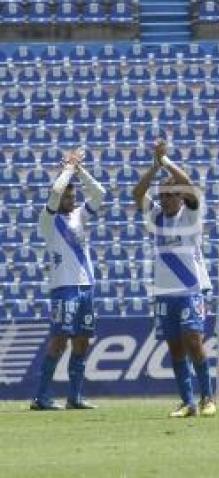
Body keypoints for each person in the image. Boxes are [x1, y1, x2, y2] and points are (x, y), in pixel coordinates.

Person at [132, 140, 216, 418]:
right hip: (164, 292)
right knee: (175, 347)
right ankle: (187, 402)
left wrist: (166, 161)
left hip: (190, 289)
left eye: (171, 195)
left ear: (181, 198)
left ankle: (207, 398)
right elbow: (137, 193)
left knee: (194, 341)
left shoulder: (191, 215)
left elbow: (189, 182)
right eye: (163, 195)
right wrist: (155, 166)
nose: (166, 199)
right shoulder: (156, 216)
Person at [31, 149, 105, 411]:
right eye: (68, 197)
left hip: (86, 287)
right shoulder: (48, 220)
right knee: (59, 341)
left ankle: (74, 397)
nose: (73, 201)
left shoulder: (79, 216)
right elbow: (54, 192)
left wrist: (80, 170)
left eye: (74, 197)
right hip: (63, 288)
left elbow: (100, 193)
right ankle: (41, 397)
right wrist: (68, 169)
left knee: (82, 341)